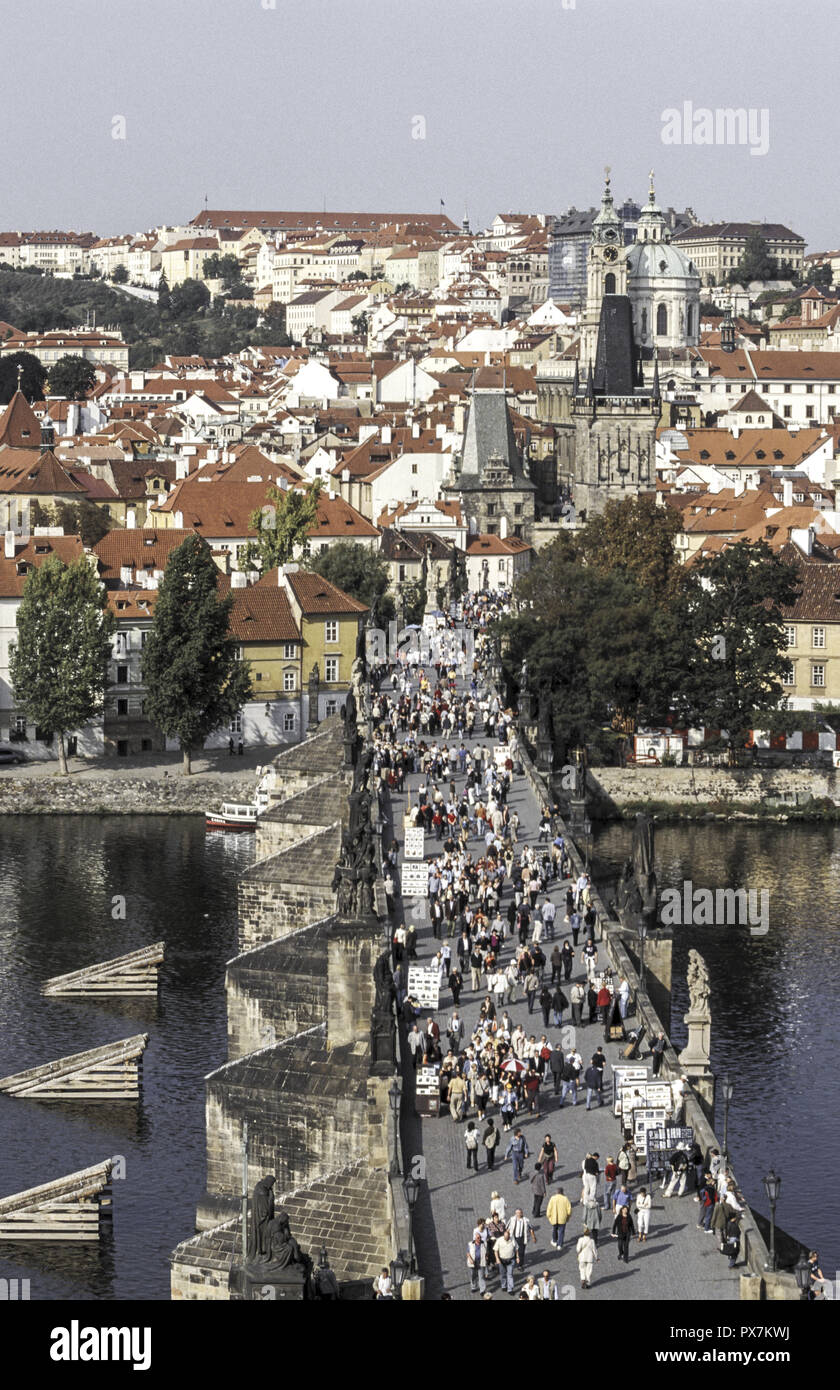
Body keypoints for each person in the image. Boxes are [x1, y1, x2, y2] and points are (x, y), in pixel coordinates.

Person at [546, 1185, 572, 1250]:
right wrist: (568, 1217)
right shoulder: (565, 1199)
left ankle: (554, 1241)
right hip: (562, 1218)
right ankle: (560, 1244)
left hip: (554, 1218)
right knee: (561, 1231)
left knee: (554, 1230)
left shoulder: (552, 1198)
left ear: (556, 1192)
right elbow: (569, 1210)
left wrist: (549, 1216)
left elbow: (549, 1209)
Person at [494, 1227, 517, 1295]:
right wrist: (497, 1259)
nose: (506, 1238)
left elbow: (516, 1248)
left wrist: (517, 1257)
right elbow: (495, 1250)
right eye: (505, 1237)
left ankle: (510, 1289)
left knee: (510, 1275)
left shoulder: (512, 1239)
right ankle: (503, 1285)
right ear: (503, 1236)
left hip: (511, 1259)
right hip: (502, 1260)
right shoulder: (499, 1240)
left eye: (507, 1237)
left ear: (509, 1236)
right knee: (503, 1274)